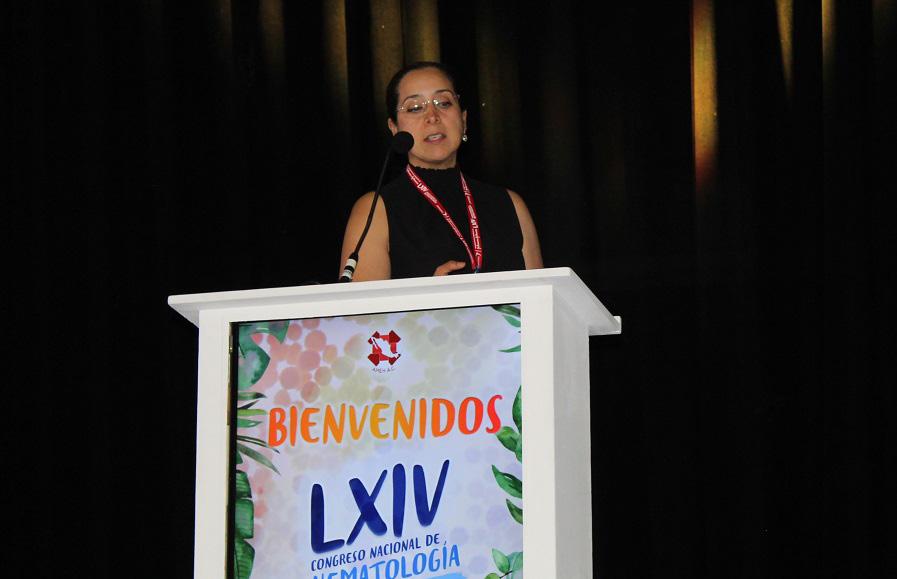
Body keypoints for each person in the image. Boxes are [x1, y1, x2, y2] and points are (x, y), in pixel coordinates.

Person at [339, 61, 542, 281]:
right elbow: (360, 305)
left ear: (463, 119)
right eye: (415, 108)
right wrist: (430, 296)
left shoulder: (510, 204)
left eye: (444, 103)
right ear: (394, 128)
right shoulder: (374, 210)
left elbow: (543, 297)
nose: (432, 116)